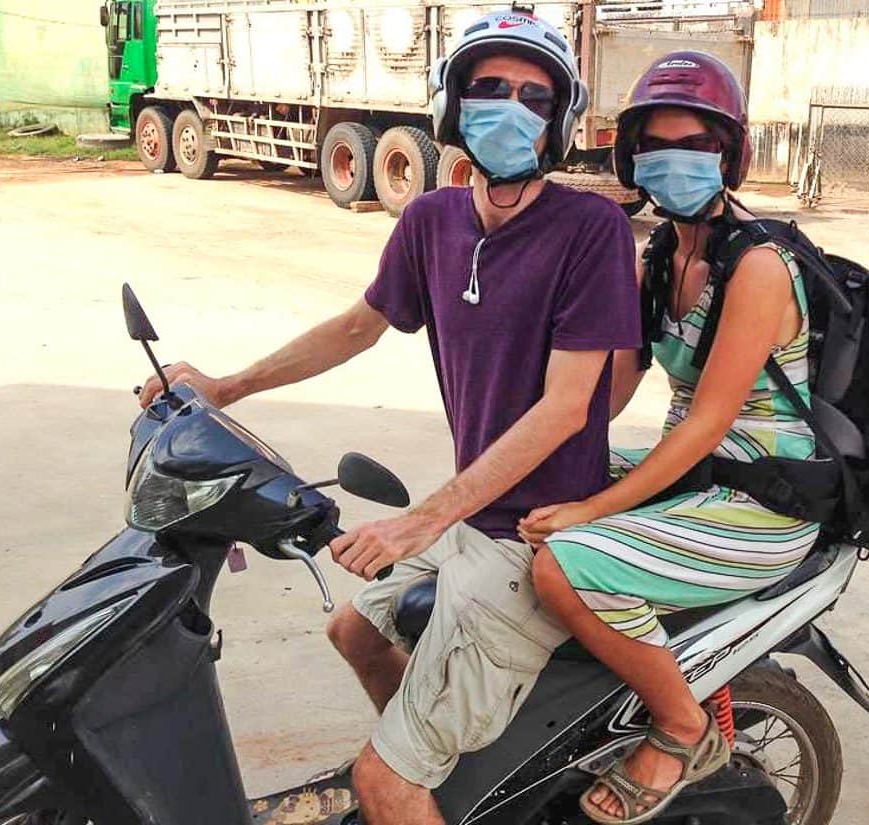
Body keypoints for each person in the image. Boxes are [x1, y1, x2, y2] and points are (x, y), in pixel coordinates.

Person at [139, 9, 640, 825]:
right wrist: (228, 386)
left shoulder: (591, 230)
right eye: (488, 88)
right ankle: (445, 780)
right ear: (451, 105)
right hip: (474, 518)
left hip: (533, 537)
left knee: (381, 786)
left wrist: (419, 522)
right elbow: (357, 325)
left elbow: (564, 410)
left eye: (533, 96)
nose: (509, 107)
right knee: (352, 630)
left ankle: (405, 784)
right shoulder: (431, 221)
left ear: (557, 123)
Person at [518, 51, 821, 824]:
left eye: (698, 145)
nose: (676, 161)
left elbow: (712, 420)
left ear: (730, 153)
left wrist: (594, 509)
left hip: (763, 498)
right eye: (658, 145)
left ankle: (684, 726)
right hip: (699, 471)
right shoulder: (662, 253)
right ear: (630, 157)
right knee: (534, 494)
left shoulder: (758, 265)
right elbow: (613, 387)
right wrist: (541, 448)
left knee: (564, 568)